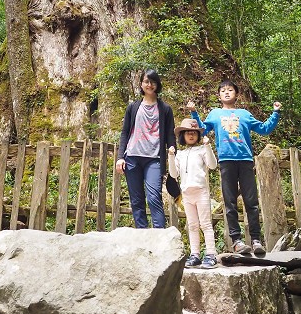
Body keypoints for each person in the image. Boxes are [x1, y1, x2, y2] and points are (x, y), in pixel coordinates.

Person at [188, 79, 282, 255]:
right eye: (223, 90)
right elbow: (202, 130)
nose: (226, 92)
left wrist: (275, 113)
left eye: (230, 90)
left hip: (245, 160)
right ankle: (237, 241)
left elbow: (264, 129)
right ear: (219, 95)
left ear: (236, 94)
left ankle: (256, 240)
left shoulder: (244, 114)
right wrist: (194, 113)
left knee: (251, 202)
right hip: (226, 161)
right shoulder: (215, 114)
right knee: (230, 202)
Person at [116, 68, 176, 228]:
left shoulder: (165, 109)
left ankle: (160, 235)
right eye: (146, 82)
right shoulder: (133, 107)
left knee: (154, 197)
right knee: (136, 199)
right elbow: (125, 133)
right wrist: (120, 157)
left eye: (153, 82)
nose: (149, 85)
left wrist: (172, 150)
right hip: (132, 157)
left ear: (157, 84)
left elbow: (170, 133)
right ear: (141, 84)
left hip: (154, 158)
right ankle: (142, 233)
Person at [168, 117, 218, 268]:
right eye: (187, 133)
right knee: (192, 225)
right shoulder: (180, 154)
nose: (191, 135)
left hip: (201, 191)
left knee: (206, 224)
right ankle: (195, 254)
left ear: (198, 135)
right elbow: (174, 174)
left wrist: (208, 146)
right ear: (182, 136)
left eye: (194, 133)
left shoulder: (202, 150)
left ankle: (211, 254)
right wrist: (170, 156)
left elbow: (212, 165)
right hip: (187, 194)